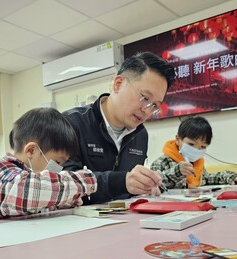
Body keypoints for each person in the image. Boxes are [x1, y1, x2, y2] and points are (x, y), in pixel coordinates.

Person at [62, 51, 176, 204]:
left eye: (154, 105)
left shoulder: (141, 135)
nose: (147, 110)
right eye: (145, 98)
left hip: (123, 221)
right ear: (118, 84)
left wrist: (145, 187)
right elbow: (62, 183)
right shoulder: (70, 123)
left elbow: (129, 190)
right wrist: (121, 182)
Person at [0, 107, 97, 221]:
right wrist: (84, 181)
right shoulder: (2, 171)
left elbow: (42, 197)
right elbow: (28, 191)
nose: (59, 168)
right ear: (32, 150)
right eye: (57, 162)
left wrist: (66, 200)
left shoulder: (35, 176)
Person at [150, 116, 237, 191]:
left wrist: (230, 177)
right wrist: (178, 172)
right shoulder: (161, 162)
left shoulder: (197, 163)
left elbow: (207, 179)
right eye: (191, 144)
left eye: (203, 147)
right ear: (178, 139)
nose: (196, 150)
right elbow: (155, 186)